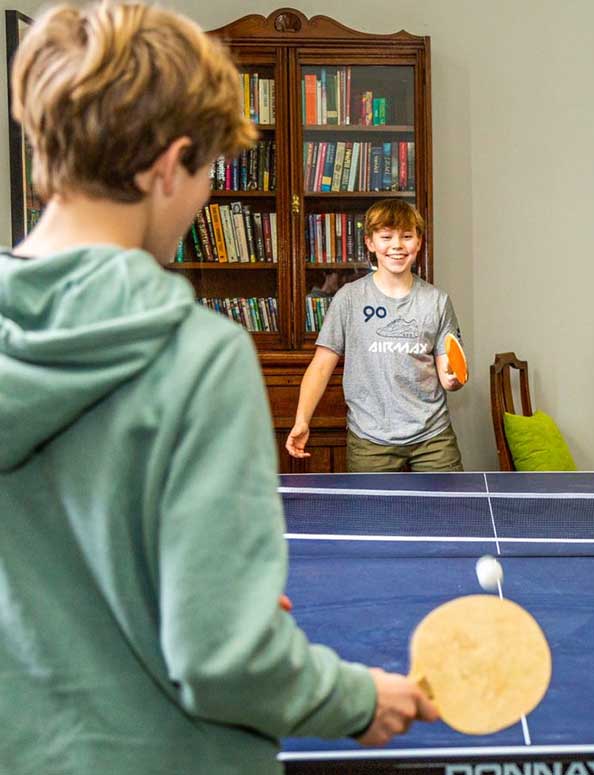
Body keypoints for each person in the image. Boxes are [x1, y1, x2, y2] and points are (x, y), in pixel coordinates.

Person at [0, 3, 436, 773]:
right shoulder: (199, 356)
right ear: (169, 165)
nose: (205, 196)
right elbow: (223, 661)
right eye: (206, 173)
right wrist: (359, 699)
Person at [286, 199, 466, 472]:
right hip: (370, 438)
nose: (397, 245)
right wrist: (302, 420)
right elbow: (321, 366)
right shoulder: (349, 298)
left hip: (433, 438)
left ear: (418, 243)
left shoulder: (437, 301)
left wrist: (454, 379)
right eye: (386, 237)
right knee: (372, 515)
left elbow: (446, 374)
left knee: (452, 513)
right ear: (370, 243)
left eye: (407, 236)